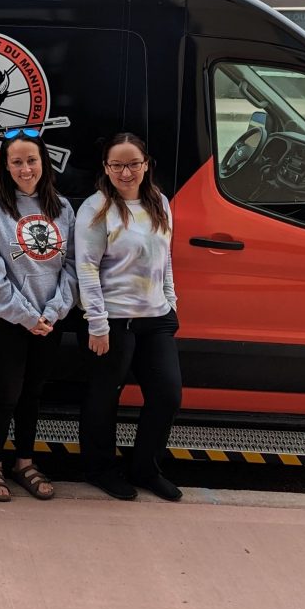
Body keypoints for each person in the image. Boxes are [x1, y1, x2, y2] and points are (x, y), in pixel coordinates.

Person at [75, 132, 183, 502]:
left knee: (167, 395)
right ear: (106, 168)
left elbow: (164, 256)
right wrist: (97, 322)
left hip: (156, 317)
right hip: (113, 320)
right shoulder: (96, 208)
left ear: (146, 164)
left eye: (133, 163)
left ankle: (145, 468)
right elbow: (86, 267)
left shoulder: (159, 203)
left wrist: (171, 301)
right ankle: (99, 468)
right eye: (117, 165)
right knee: (104, 398)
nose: (126, 172)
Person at [0, 128, 77, 502]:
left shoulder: (62, 208)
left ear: (43, 162)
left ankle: (24, 462)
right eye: (16, 161)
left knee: (32, 394)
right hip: (6, 320)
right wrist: (26, 315)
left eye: (31, 160)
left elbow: (73, 268)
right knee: (7, 393)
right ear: (5, 165)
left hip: (49, 319)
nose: (25, 168)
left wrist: (52, 311)